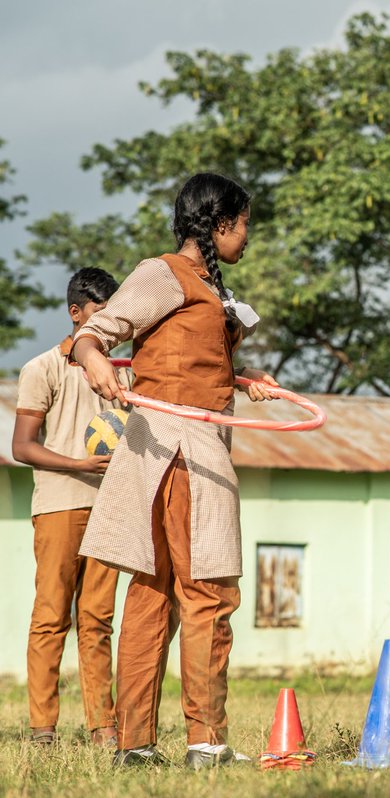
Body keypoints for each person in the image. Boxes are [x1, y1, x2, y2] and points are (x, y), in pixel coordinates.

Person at [71, 172, 277, 769]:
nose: (247, 236)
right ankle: (205, 741)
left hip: (180, 443)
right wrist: (94, 361)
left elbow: (191, 360)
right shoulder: (163, 272)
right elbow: (98, 332)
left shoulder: (208, 286)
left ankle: (137, 746)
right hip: (180, 449)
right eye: (244, 224)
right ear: (220, 225)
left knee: (154, 594)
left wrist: (245, 379)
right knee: (206, 591)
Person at [14, 268, 124, 747]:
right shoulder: (42, 368)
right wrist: (78, 463)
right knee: (51, 616)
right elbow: (22, 446)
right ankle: (43, 728)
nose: (107, 329)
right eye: (100, 315)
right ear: (76, 313)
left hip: (110, 511)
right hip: (60, 507)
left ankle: (103, 726)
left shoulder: (125, 374)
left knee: (98, 621)